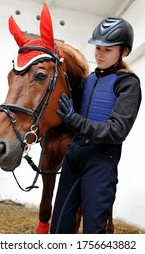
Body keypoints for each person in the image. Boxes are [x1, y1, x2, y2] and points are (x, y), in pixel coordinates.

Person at [50, 17, 142, 234]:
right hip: (74, 156)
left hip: (101, 160)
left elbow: (117, 130)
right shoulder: (89, 80)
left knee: (94, 229)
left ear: (124, 52)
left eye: (107, 50)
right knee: (59, 224)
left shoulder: (128, 84)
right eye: (98, 48)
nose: (99, 54)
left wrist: (75, 121)